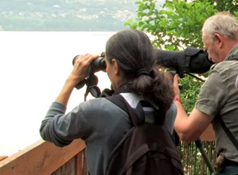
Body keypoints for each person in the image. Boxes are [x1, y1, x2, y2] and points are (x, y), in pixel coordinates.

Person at [40, 30, 176, 175]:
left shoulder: (97, 111)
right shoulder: (167, 107)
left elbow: (48, 128)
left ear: (115, 65)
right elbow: (130, 97)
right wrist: (116, 69)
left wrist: (72, 79)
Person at [173, 12, 238, 175]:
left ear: (218, 39)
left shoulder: (223, 73)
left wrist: (173, 97)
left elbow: (186, 133)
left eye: (207, 48)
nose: (208, 56)